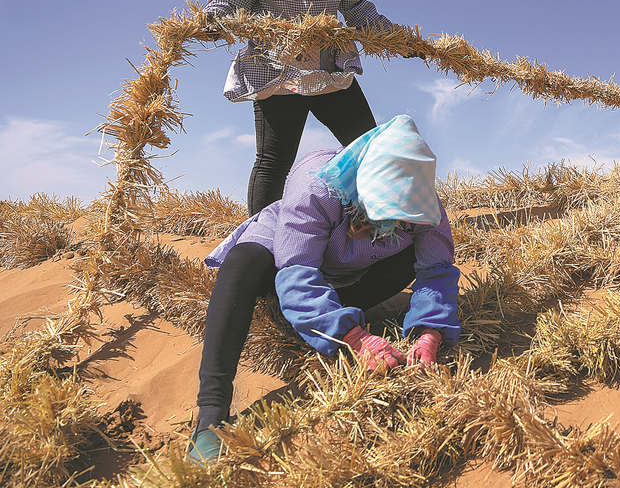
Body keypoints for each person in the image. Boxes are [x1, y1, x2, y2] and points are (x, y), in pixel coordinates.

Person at [188, 115, 461, 462]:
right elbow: (297, 270)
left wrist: (430, 331)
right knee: (242, 262)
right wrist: (353, 337)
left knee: (416, 259)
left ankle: (324, 317)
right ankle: (211, 413)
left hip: (350, 275)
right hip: (283, 260)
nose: (386, 223)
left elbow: (436, 270)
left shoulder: (423, 202)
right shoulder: (316, 184)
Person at [203, 0, 417, 215]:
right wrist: (214, 22)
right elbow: (224, 3)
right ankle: (260, 238)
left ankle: (392, 220)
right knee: (274, 162)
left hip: (328, 72)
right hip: (278, 75)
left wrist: (399, 39)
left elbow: (358, 9)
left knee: (365, 147)